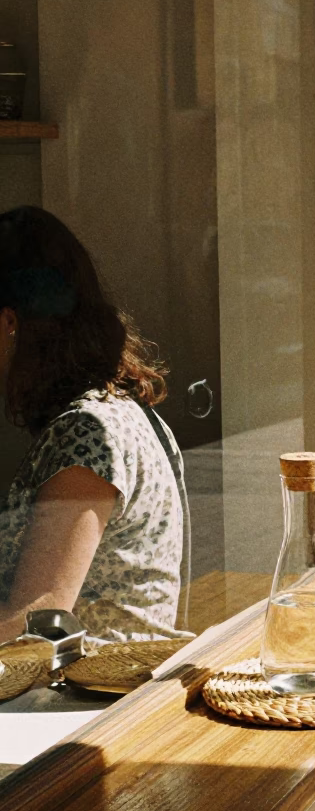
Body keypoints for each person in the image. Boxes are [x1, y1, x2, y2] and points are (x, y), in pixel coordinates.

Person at [0, 206, 188, 644]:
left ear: (9, 323)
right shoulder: (117, 409)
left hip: (93, 686)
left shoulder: (87, 433)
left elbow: (31, 624)